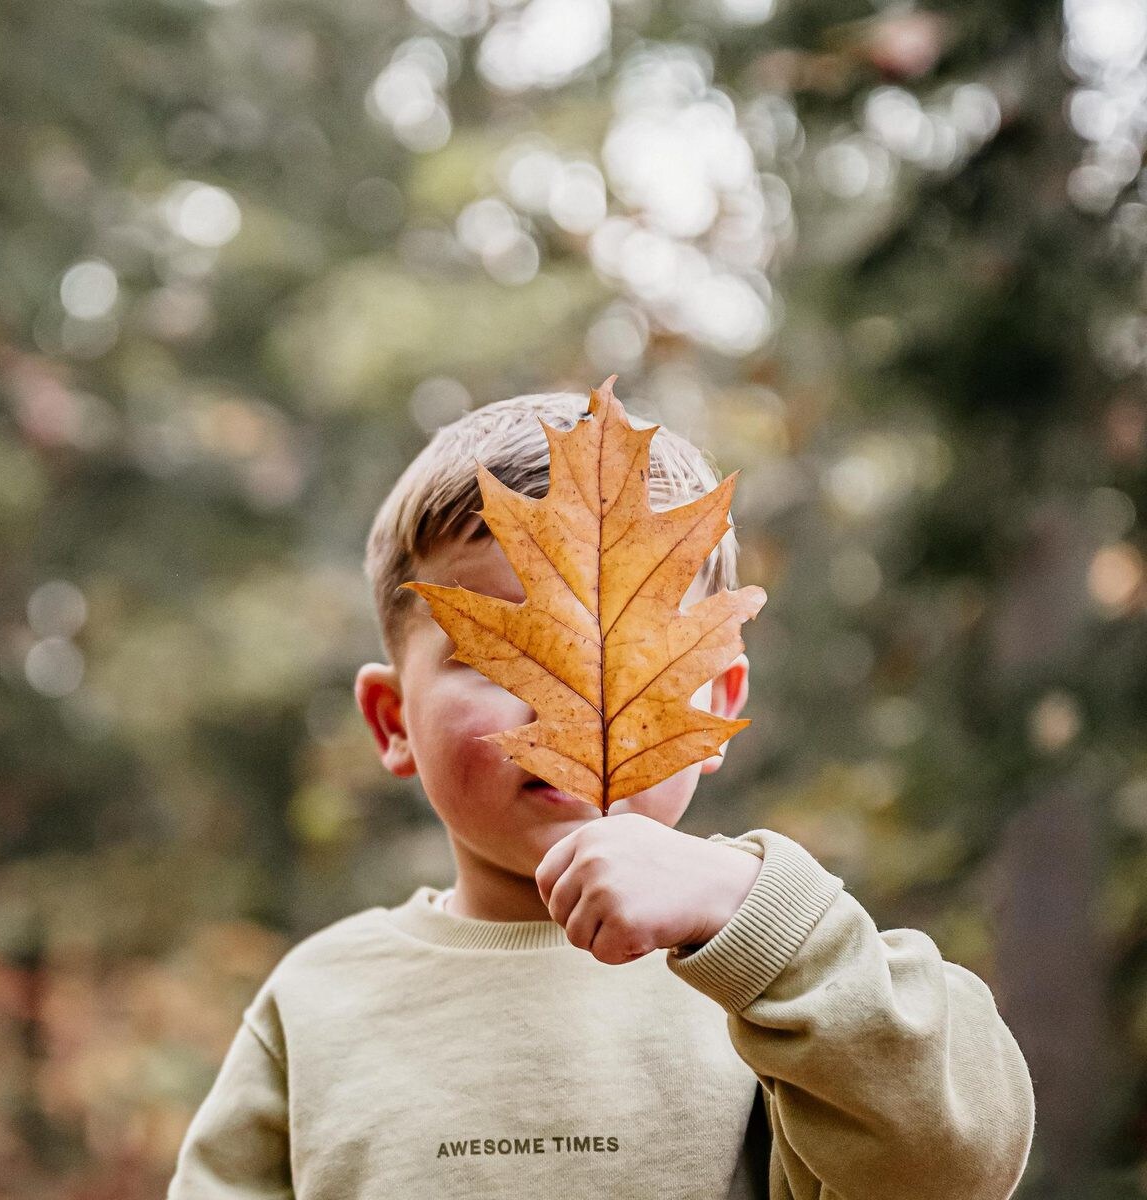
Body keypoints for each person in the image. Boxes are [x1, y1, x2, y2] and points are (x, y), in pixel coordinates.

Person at [166, 388, 1036, 1200]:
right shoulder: (315, 1001)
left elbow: (955, 1164)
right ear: (392, 719)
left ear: (720, 704)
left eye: (631, 654)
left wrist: (755, 918)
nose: (566, 699)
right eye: (494, 652)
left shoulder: (790, 984)